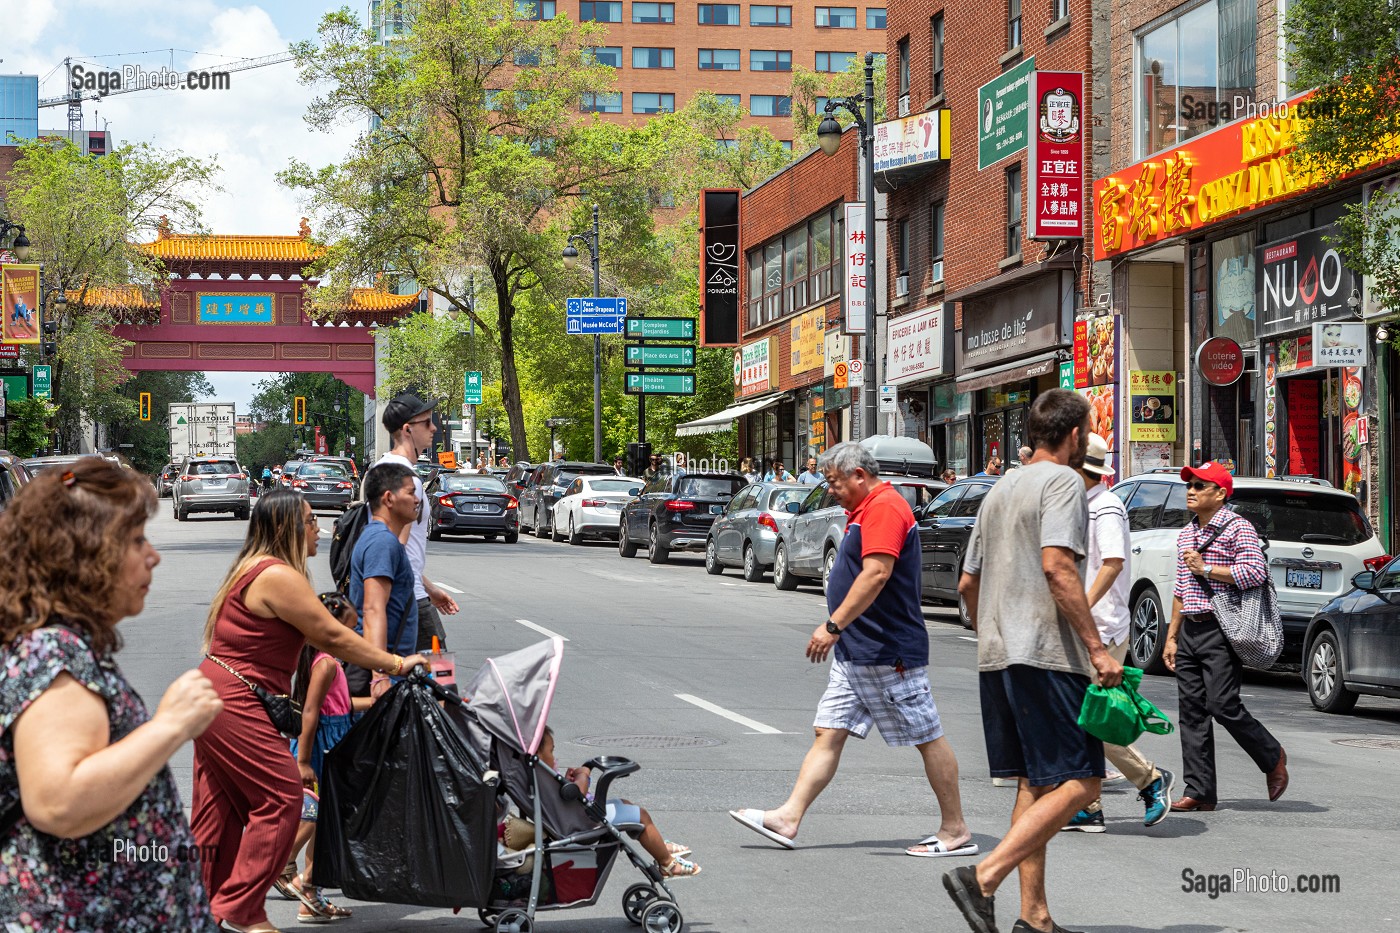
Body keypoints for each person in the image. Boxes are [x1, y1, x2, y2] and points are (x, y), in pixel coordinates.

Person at [191, 488, 428, 933]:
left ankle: (200, 910)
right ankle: (241, 909)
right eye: (307, 520)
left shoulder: (258, 569)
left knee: (218, 813)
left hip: (220, 694)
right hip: (236, 699)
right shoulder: (277, 575)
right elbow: (331, 636)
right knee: (283, 799)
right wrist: (396, 662)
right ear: (286, 528)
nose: (318, 526)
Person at [0, 460, 224, 931]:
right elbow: (57, 802)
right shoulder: (53, 651)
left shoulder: (62, 645)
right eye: (137, 540)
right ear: (86, 553)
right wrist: (171, 725)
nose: (153, 556)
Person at [731, 441, 973, 859]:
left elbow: (877, 573)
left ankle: (955, 831)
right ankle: (788, 817)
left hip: (886, 650)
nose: (831, 491)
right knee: (828, 731)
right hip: (858, 651)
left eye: (835, 483)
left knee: (927, 736)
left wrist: (833, 625)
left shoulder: (884, 507)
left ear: (859, 475)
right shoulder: (866, 508)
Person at [945, 389, 1123, 933]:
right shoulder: (1066, 482)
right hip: (1045, 655)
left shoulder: (1001, 487)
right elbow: (1058, 568)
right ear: (1074, 437)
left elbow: (967, 583)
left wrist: (990, 628)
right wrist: (1095, 648)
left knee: (1034, 784)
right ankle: (984, 877)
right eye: (1088, 435)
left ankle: (1035, 917)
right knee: (1083, 783)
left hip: (998, 654)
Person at [1061, 434, 1174, 833]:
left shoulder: (1105, 507)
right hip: (1088, 624)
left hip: (1103, 626)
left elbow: (1112, 562)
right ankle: (1090, 806)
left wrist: (1083, 602)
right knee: (1084, 717)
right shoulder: (1083, 503)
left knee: (1093, 718)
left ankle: (1149, 779)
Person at [1164, 462, 1288, 813]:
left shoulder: (1238, 528)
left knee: (1222, 704)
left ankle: (1272, 755)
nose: (1190, 490)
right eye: (1189, 484)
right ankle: (1200, 791)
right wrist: (1171, 637)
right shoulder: (1187, 533)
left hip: (1222, 627)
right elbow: (1181, 587)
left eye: (1200, 486)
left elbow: (1255, 572)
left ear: (1220, 494)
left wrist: (1207, 569)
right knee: (1191, 712)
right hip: (1190, 626)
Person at [277, 592, 364, 923]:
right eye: (348, 630)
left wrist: (376, 701)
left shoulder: (331, 663)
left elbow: (340, 706)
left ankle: (310, 895)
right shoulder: (326, 663)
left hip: (328, 746)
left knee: (322, 821)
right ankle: (280, 868)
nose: (353, 637)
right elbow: (311, 713)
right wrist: (303, 761)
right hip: (317, 751)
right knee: (312, 816)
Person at [538, 727, 700, 877]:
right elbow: (577, 793)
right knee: (641, 816)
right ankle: (667, 864)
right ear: (538, 755)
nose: (554, 756)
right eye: (551, 751)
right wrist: (583, 774)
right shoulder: (542, 774)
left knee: (624, 803)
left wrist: (567, 782)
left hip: (575, 817)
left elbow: (562, 796)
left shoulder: (539, 774)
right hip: (583, 822)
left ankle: (659, 847)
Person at [378, 392, 460, 652]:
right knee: (440, 682)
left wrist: (429, 587)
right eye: (426, 422)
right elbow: (391, 545)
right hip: (407, 598)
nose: (434, 427)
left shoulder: (383, 469)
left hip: (405, 593)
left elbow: (400, 548)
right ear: (407, 430)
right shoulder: (404, 480)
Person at [348, 463, 423, 701]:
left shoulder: (383, 539)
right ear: (389, 499)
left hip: (390, 666)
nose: (417, 500)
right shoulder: (382, 542)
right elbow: (373, 609)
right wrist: (380, 675)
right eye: (411, 492)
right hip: (385, 672)